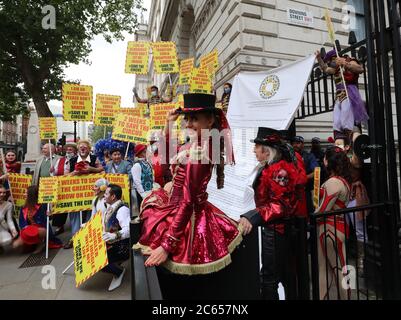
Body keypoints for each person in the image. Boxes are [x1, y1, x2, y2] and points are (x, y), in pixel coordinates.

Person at [133, 93, 241, 275]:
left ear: (209, 121)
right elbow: (165, 156)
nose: (188, 124)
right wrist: (169, 122)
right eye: (187, 119)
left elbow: (188, 201)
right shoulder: (194, 145)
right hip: (176, 204)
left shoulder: (201, 153)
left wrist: (167, 245)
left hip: (188, 216)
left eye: (194, 119)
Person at [239, 127, 298, 300]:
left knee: (270, 278)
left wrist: (253, 216)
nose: (253, 150)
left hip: (276, 231)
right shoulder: (267, 168)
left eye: (256, 147)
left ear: (266, 151)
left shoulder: (280, 171)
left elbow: (280, 206)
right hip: (269, 230)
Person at [315, 146, 352, 300]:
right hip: (333, 228)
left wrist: (308, 217)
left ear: (328, 161)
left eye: (324, 157)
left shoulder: (333, 182)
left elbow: (323, 210)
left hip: (330, 229)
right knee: (330, 269)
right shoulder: (341, 181)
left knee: (339, 270)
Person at [316, 49, 369, 146]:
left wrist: (345, 64)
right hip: (339, 96)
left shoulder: (349, 60)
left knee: (347, 119)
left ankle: (354, 140)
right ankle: (340, 142)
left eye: (330, 61)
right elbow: (325, 69)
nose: (329, 63)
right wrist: (319, 58)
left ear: (334, 58)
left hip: (349, 93)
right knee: (337, 121)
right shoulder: (335, 69)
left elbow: (360, 69)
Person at [64, 140, 104, 249]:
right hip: (75, 194)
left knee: (90, 215)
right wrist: (74, 173)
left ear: (89, 149)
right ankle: (75, 238)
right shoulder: (71, 160)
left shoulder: (94, 158)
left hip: (90, 193)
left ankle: (88, 238)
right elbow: (65, 176)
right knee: (75, 217)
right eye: (80, 147)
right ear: (78, 149)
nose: (82, 149)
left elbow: (102, 170)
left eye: (85, 147)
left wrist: (92, 169)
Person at [13, 186, 62, 253]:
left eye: (26, 193)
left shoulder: (42, 205)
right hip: (29, 229)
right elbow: (22, 222)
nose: (24, 194)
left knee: (40, 231)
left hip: (41, 229)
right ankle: (32, 244)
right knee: (16, 245)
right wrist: (25, 228)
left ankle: (41, 243)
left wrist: (50, 214)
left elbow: (47, 219)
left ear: (31, 195)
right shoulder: (24, 207)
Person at [101, 184, 131, 291]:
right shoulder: (110, 208)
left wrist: (114, 235)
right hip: (112, 244)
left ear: (113, 197)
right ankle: (115, 265)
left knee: (99, 261)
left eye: (106, 193)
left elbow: (128, 230)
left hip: (122, 248)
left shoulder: (122, 210)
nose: (103, 195)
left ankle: (118, 272)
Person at [51, 142, 78, 235]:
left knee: (73, 206)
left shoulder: (78, 159)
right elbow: (54, 173)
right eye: (67, 149)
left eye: (71, 149)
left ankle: (76, 226)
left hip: (74, 187)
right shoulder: (60, 160)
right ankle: (59, 226)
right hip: (62, 187)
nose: (68, 150)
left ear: (75, 150)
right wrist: (52, 171)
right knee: (60, 205)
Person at [292, 136, 319, 214]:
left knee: (309, 210)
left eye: (297, 143)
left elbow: (316, 171)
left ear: (303, 144)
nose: (295, 145)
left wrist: (303, 178)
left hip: (306, 189)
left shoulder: (309, 156)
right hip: (292, 191)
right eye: (293, 143)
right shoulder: (289, 157)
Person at [131, 144, 154, 209]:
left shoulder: (148, 163)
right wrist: (143, 194)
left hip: (149, 192)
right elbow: (137, 181)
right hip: (141, 194)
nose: (147, 153)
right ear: (140, 154)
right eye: (144, 152)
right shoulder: (137, 165)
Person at [0, 185, 18, 251]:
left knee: (6, 239)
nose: (2, 194)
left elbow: (9, 220)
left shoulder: (8, 205)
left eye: (4, 192)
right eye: (0, 192)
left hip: (2, 228)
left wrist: (13, 229)